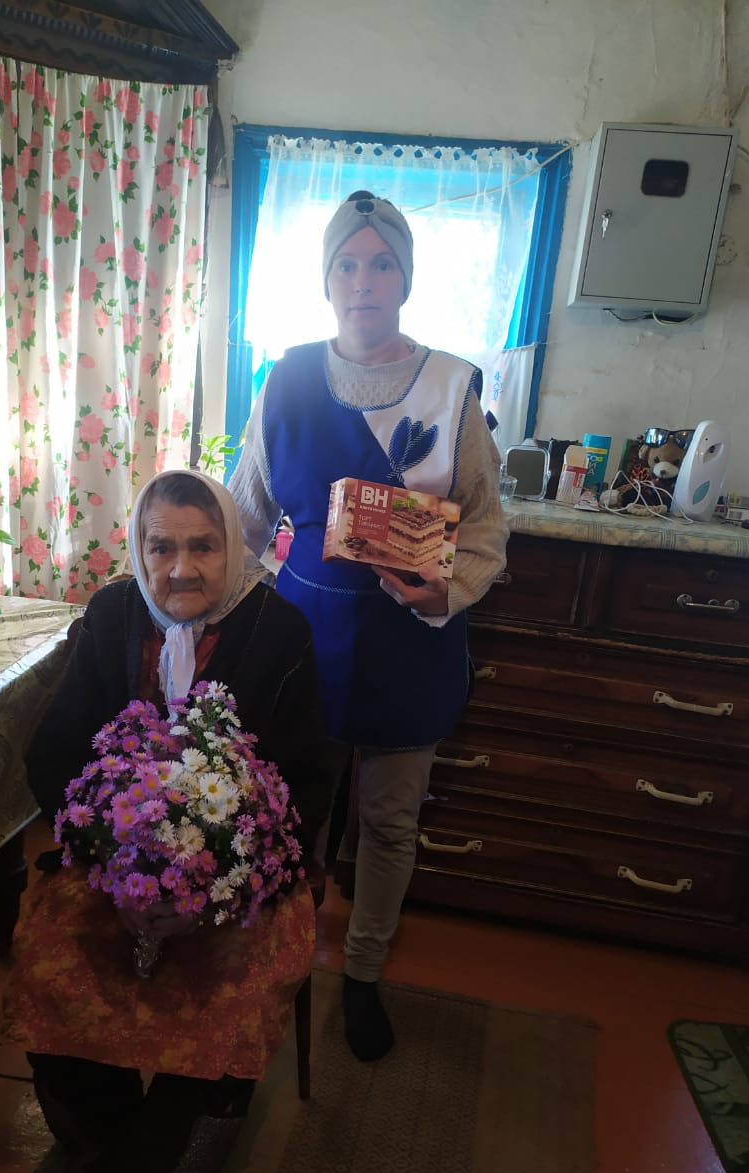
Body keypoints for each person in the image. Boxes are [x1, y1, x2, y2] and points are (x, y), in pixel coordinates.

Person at [3, 470, 333, 1173]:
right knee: (49, 963)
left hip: (243, 876)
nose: (181, 568)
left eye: (203, 546)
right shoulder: (114, 613)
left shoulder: (279, 630)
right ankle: (105, 1144)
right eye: (161, 547)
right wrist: (113, 862)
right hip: (113, 868)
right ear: (138, 549)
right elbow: (55, 753)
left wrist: (222, 874)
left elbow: (306, 782)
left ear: (234, 547)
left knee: (222, 990)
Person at [228, 190, 509, 1063]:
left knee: (387, 823)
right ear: (325, 279)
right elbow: (245, 518)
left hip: (409, 642)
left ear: (406, 277)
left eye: (382, 263)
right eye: (347, 264)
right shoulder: (285, 379)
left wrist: (441, 594)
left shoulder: (452, 387)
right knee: (292, 815)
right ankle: (280, 961)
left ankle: (361, 973)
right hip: (302, 643)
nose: (364, 281)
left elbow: (486, 529)